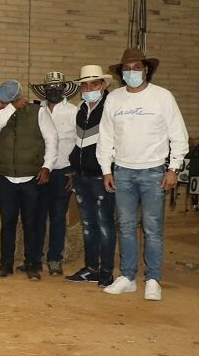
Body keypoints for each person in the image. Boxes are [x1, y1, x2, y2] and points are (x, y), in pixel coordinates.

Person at [97, 49, 188, 301]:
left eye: (137, 67)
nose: (132, 72)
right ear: (121, 72)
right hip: (122, 171)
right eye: (127, 68)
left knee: (152, 228)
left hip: (153, 172)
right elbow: (106, 137)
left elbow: (178, 135)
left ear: (146, 69)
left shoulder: (162, 97)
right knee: (126, 227)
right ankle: (127, 277)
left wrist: (173, 168)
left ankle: (153, 279)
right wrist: (106, 169)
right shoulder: (114, 99)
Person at [0, 79, 59, 281]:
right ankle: (6, 264)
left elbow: (52, 139)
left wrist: (47, 166)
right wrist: (9, 108)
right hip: (6, 178)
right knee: (8, 223)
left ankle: (32, 265)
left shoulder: (38, 112)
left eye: (0, 99)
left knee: (31, 224)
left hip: (31, 178)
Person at [65, 65, 116, 287]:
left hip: (101, 175)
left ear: (103, 85)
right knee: (88, 224)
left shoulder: (110, 108)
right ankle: (91, 268)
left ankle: (106, 271)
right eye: (84, 85)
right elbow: (79, 141)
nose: (88, 89)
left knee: (105, 224)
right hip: (81, 175)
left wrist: (110, 170)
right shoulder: (81, 108)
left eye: (93, 84)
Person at [29, 72, 80, 276]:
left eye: (58, 86)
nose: (54, 89)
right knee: (37, 217)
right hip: (38, 172)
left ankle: (54, 259)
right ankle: (35, 259)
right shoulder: (36, 110)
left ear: (64, 88)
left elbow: (81, 143)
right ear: (44, 89)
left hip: (63, 172)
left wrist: (74, 171)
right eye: (49, 86)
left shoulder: (74, 112)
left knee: (58, 217)